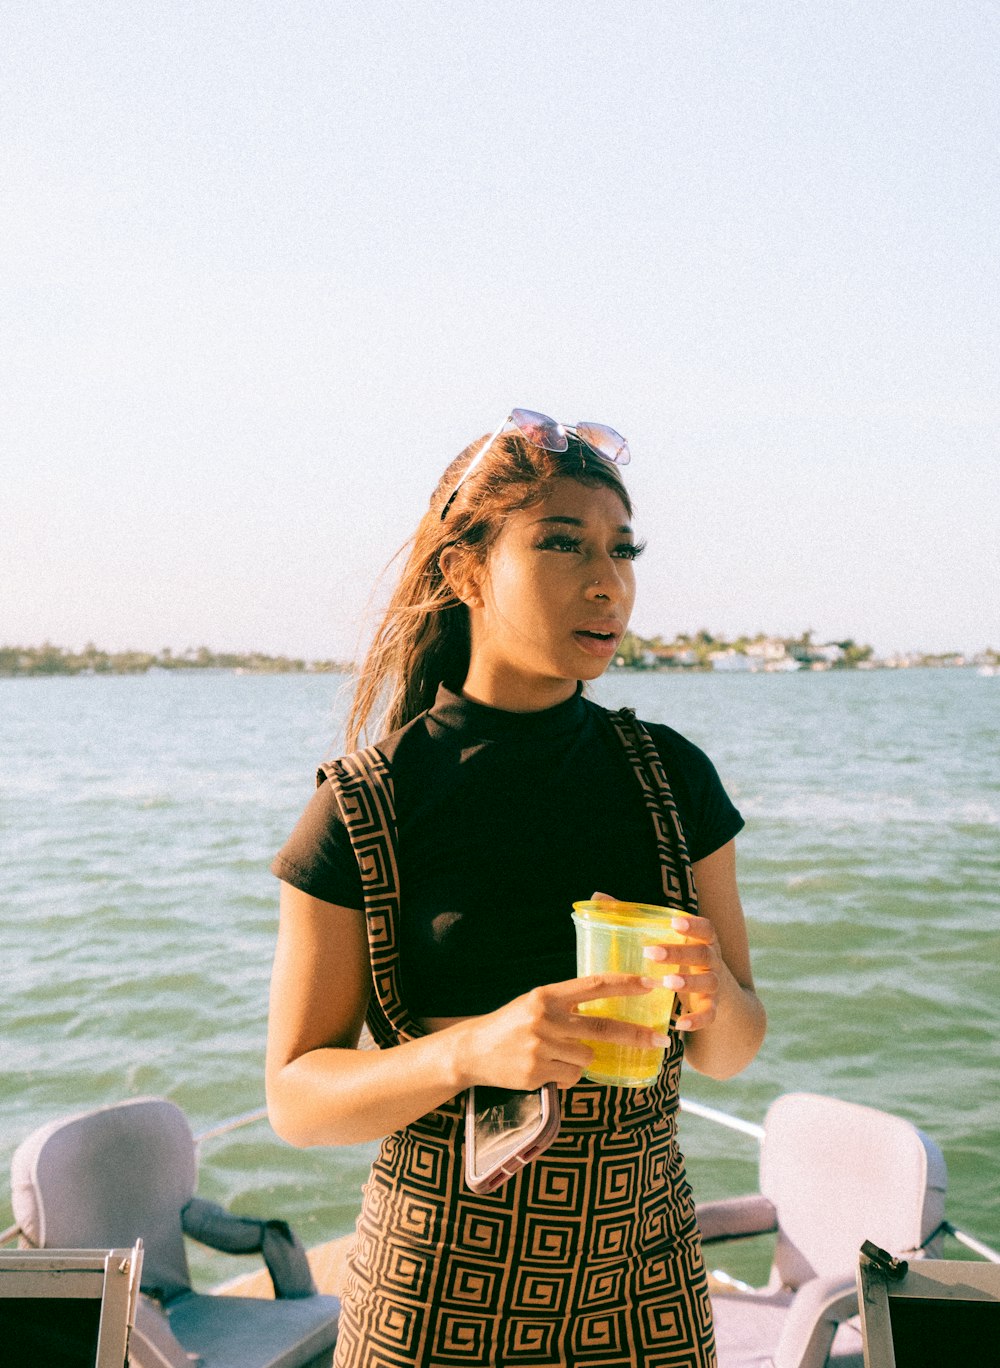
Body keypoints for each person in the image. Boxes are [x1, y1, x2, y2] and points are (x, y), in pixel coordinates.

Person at [266, 409, 766, 1368]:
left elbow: (730, 1053)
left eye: (623, 550)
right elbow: (297, 1098)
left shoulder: (672, 778)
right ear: (464, 571)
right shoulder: (366, 807)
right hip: (435, 1294)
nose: (607, 582)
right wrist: (474, 1051)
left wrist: (716, 993)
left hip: (643, 1285)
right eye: (562, 543)